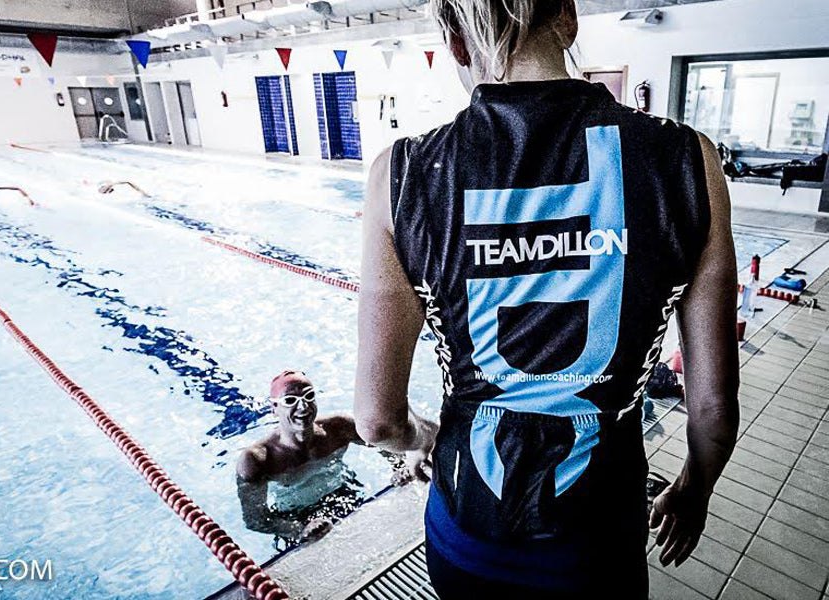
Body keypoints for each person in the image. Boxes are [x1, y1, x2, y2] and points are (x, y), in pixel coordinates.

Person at [353, 1, 739, 598]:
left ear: (455, 43)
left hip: (468, 529)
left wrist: (427, 438)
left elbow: (377, 420)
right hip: (599, 536)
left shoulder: (402, 175)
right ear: (569, 19)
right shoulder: (687, 159)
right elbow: (712, 411)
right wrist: (693, 489)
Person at [236, 370, 385, 544]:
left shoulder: (339, 428)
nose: (303, 407)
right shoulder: (257, 460)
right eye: (290, 400)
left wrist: (400, 466)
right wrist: (299, 529)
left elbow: (385, 444)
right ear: (274, 408)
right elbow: (255, 520)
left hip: (343, 493)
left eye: (308, 396)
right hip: (294, 515)